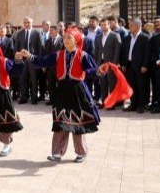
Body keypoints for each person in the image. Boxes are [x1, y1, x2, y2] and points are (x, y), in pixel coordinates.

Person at [21, 28, 111, 163]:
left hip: (78, 91)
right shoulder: (58, 55)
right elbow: (43, 61)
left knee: (77, 123)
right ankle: (57, 153)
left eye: (69, 38)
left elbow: (90, 71)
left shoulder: (83, 55)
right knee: (60, 122)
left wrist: (98, 70)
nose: (66, 40)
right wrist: (30, 56)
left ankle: (81, 152)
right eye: (64, 38)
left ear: (76, 40)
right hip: (62, 90)